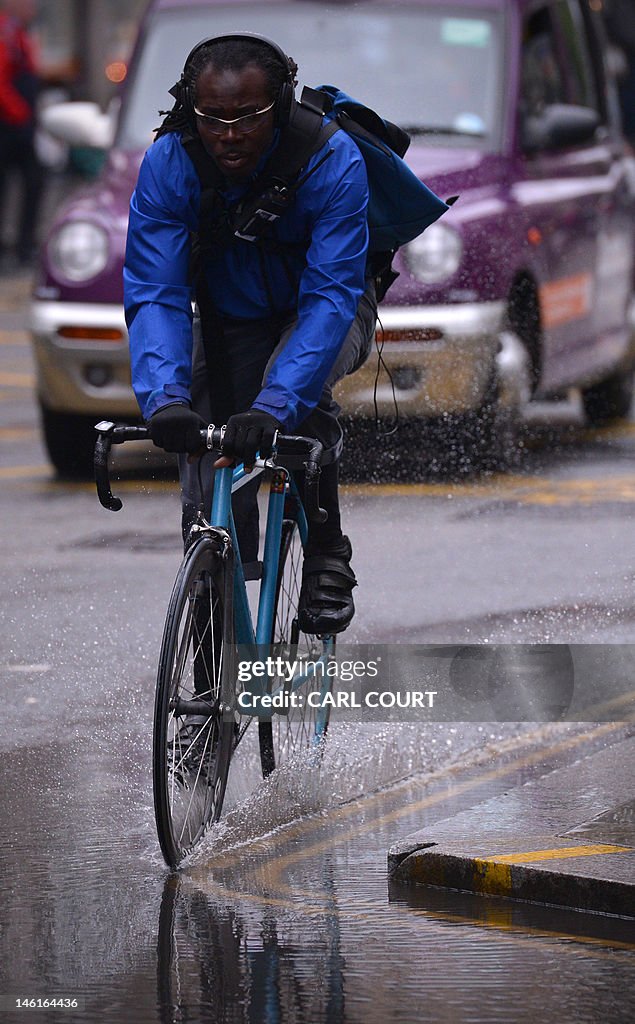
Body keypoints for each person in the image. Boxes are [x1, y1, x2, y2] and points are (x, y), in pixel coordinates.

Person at [124, 33, 377, 636]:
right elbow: (155, 290)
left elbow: (330, 297)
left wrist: (274, 404)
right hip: (226, 314)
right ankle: (214, 586)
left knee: (299, 400)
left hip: (328, 306)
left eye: (247, 117)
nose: (229, 133)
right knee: (207, 441)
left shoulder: (331, 157)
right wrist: (165, 399)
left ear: (282, 103)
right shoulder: (170, 161)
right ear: (191, 107)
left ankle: (325, 555)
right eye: (212, 117)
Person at [0, 0, 43, 267]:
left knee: (34, 181)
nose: (33, 7)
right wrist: (20, 114)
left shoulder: (18, 32)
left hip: (19, 126)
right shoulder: (6, 33)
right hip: (9, 127)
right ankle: (18, 247)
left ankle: (23, 246)